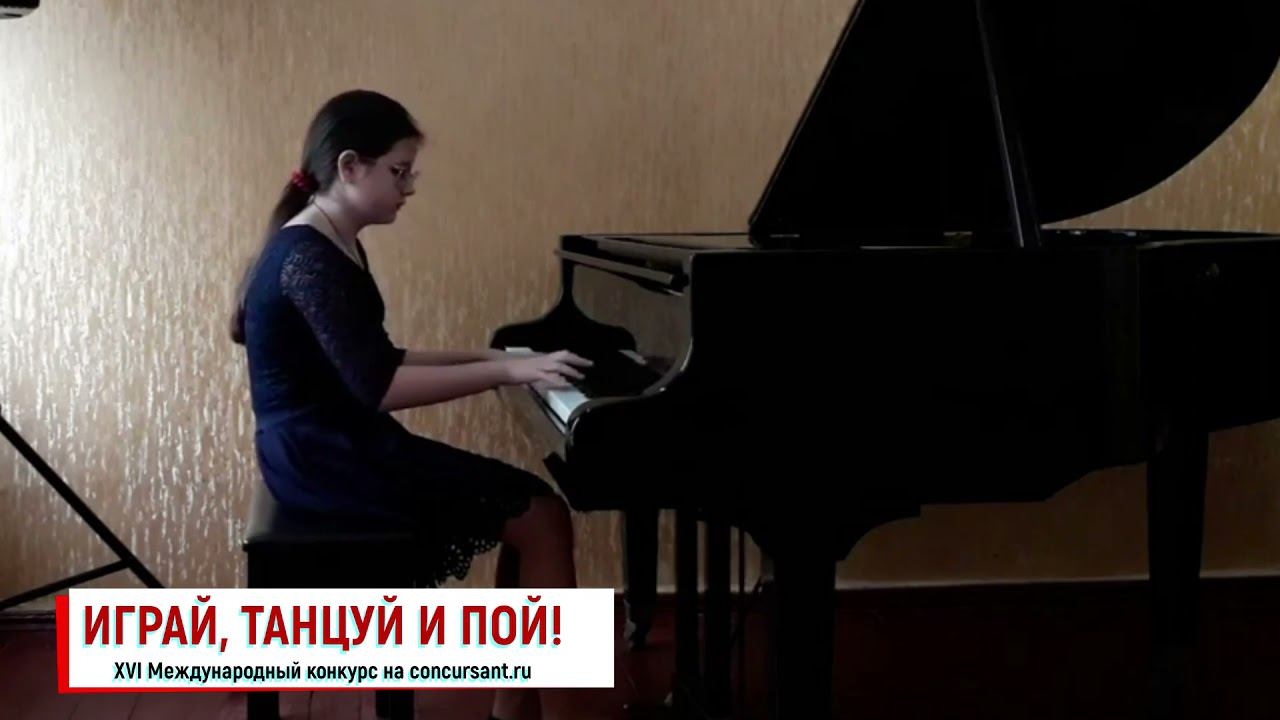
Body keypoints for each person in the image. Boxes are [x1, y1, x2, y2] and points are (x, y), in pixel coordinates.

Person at [229, 89, 594, 720]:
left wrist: (490, 357)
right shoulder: (309, 258)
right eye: (399, 172)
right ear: (349, 167)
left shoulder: (331, 239)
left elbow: (380, 359)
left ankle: (513, 707)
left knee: (532, 508)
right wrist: (504, 370)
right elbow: (382, 388)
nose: (408, 188)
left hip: (332, 444)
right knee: (540, 515)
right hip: (324, 458)